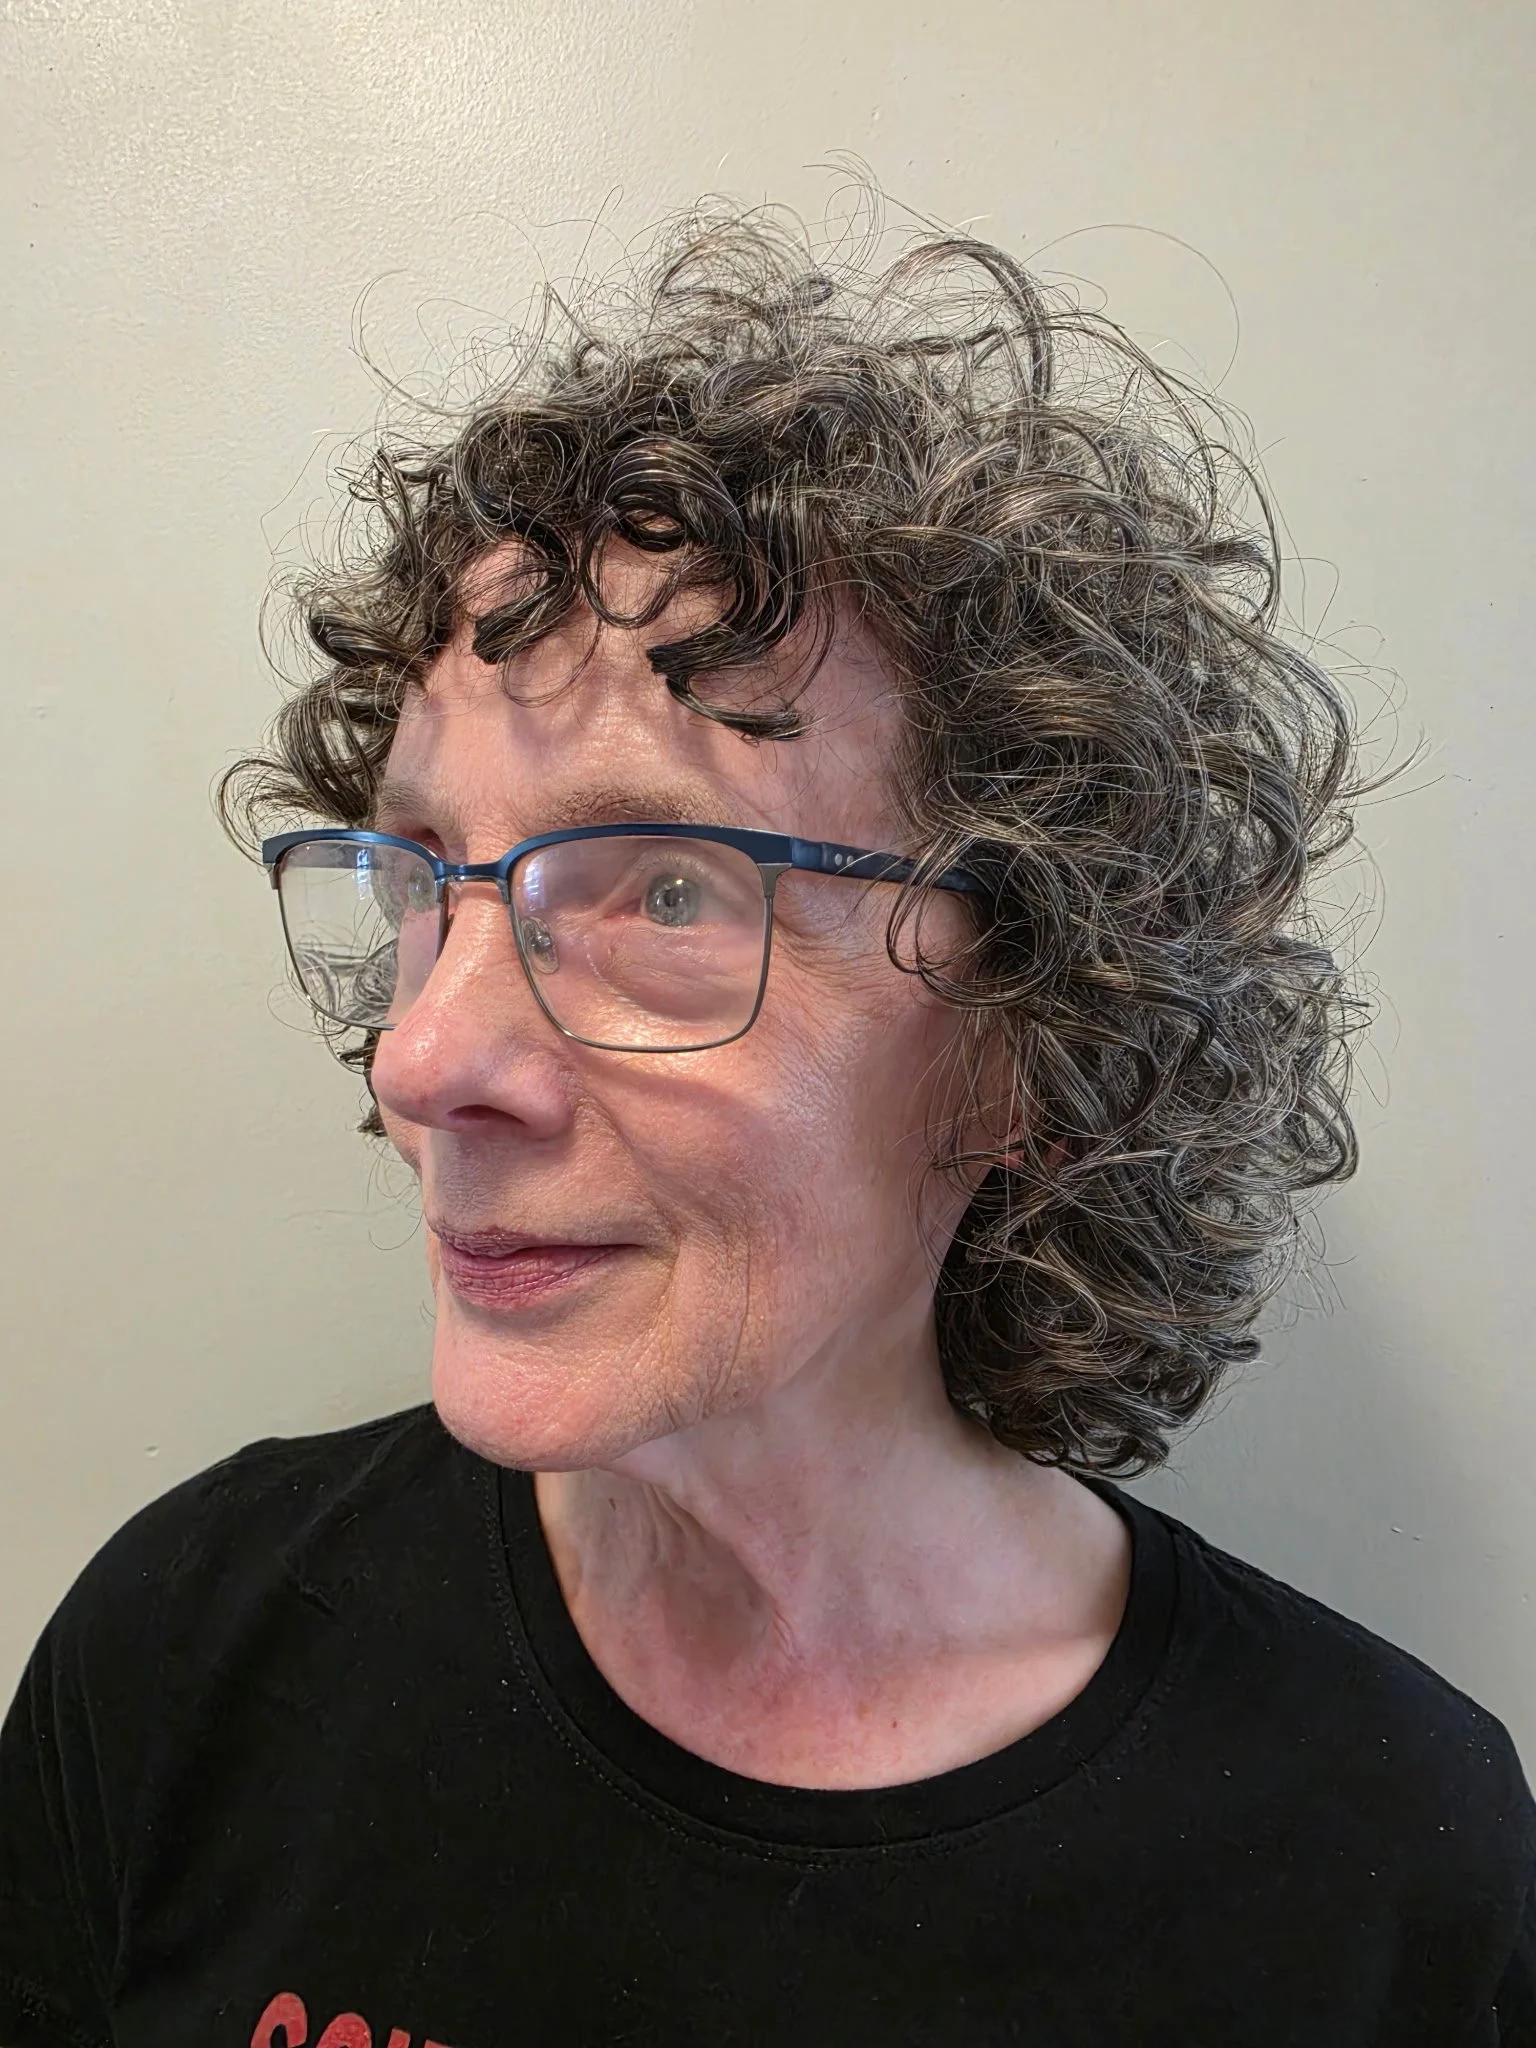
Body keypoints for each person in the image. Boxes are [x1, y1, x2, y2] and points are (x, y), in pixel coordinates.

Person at [1, 202, 1531, 2048]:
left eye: (665, 893)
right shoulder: (191, 1652)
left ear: (1032, 1044)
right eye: (425, 877)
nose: (424, 1060)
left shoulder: (1384, 1872)